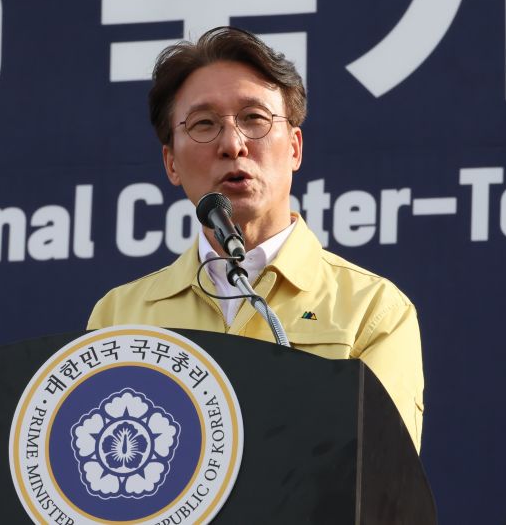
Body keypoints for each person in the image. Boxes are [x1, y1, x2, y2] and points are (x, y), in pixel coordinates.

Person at [87, 27, 424, 452]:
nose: (233, 144)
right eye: (204, 124)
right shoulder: (119, 315)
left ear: (295, 148)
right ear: (171, 163)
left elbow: (379, 477)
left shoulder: (371, 309)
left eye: (254, 119)